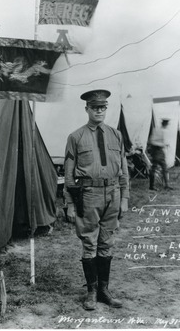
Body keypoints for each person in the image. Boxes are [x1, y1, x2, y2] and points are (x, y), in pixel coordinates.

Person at [63, 89, 129, 311]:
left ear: (106, 109)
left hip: (113, 193)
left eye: (103, 107)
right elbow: (69, 175)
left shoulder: (116, 135)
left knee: (107, 242)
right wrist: (70, 203)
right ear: (87, 109)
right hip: (89, 194)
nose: (99, 111)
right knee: (90, 242)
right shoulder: (76, 137)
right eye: (95, 107)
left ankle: (104, 290)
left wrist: (125, 197)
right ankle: (91, 292)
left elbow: (124, 170)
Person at [148, 118, 173, 191]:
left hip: (160, 152)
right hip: (156, 152)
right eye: (166, 124)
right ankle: (152, 186)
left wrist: (164, 144)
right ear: (164, 124)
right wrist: (162, 144)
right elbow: (151, 141)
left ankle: (165, 185)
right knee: (157, 168)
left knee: (163, 168)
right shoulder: (157, 130)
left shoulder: (162, 130)